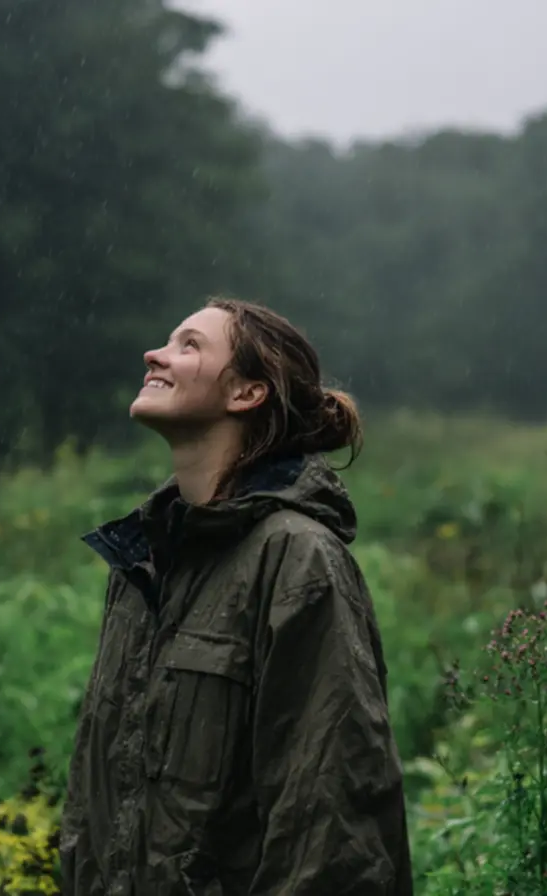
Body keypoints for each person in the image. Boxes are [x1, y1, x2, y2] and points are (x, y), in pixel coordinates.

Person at [59, 297, 413, 895]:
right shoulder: (141, 563)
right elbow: (100, 800)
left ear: (246, 393)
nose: (155, 354)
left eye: (188, 345)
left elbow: (330, 816)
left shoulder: (298, 559)